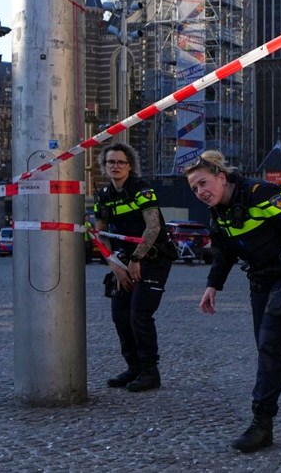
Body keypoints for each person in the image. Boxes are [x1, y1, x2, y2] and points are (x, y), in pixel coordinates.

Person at [186, 150, 281, 453]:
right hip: (261, 281)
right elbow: (224, 252)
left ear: (221, 177)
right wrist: (212, 286)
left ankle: (261, 423)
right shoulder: (218, 212)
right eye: (194, 189)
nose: (200, 192)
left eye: (203, 183)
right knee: (271, 345)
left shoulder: (262, 193)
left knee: (270, 344)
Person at [94, 142, 175, 392]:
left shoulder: (142, 189)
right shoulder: (104, 195)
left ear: (130, 166)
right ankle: (134, 367)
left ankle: (151, 372)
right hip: (124, 261)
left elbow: (153, 228)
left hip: (152, 257)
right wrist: (115, 265)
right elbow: (100, 233)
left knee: (139, 315)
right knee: (120, 315)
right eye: (111, 162)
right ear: (104, 166)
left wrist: (136, 259)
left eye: (121, 162)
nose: (115, 166)